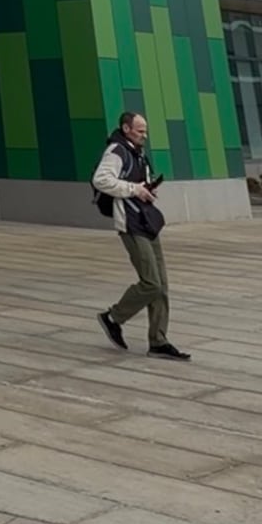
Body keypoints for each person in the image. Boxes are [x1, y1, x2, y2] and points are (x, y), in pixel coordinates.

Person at [92, 110, 190, 361]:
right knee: (151, 282)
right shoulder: (117, 151)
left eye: (145, 130)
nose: (144, 135)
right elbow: (101, 180)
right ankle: (113, 317)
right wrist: (134, 189)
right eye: (140, 130)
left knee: (161, 285)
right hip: (131, 224)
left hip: (146, 221)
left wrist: (146, 189)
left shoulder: (137, 152)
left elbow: (135, 185)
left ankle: (158, 341)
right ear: (126, 128)